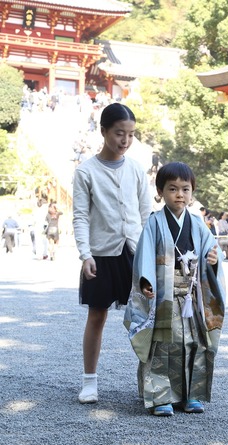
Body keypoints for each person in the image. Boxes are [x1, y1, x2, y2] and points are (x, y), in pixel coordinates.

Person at [124, 162, 226, 417]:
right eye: (172, 189)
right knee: (163, 343)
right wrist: (146, 282)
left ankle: (191, 394)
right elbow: (144, 256)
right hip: (164, 296)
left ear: (192, 192)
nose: (179, 194)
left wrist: (213, 260)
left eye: (185, 189)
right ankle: (160, 396)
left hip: (191, 295)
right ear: (160, 191)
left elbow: (212, 252)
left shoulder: (198, 224)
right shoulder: (155, 223)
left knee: (193, 342)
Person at [73, 102, 152, 404]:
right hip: (101, 256)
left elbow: (146, 212)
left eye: (131, 135)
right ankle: (89, 382)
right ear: (103, 131)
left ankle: (152, 382)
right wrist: (85, 254)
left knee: (146, 317)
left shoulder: (135, 168)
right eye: (119, 133)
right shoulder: (86, 171)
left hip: (135, 252)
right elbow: (80, 215)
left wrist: (150, 250)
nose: (125, 141)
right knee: (97, 316)